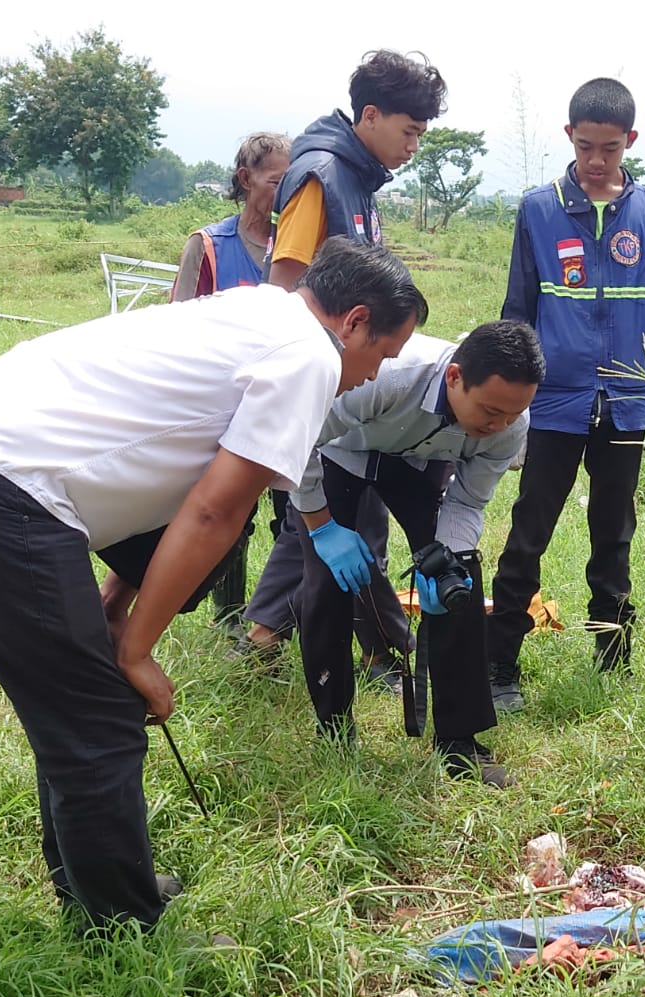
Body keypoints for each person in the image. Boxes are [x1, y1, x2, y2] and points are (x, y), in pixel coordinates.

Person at [0, 238, 427, 933]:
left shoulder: (256, 310)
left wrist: (114, 606)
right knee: (98, 718)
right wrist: (136, 652)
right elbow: (215, 510)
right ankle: (125, 931)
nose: (370, 375)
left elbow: (168, 472)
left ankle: (101, 888)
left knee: (78, 712)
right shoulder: (310, 355)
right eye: (381, 354)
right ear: (352, 321)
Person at [241, 51, 449, 681]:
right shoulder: (321, 177)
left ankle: (264, 637)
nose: (414, 145)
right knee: (333, 518)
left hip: (347, 368)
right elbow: (284, 290)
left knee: (324, 519)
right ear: (370, 114)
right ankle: (380, 649)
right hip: (318, 375)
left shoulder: (358, 177)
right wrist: (306, 380)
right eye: (409, 131)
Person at [487, 77, 645, 713]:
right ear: (568, 137)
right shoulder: (539, 208)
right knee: (529, 527)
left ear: (630, 142)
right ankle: (500, 662)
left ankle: (611, 659)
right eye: (587, 146)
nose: (598, 161)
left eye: (611, 149)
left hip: (625, 399)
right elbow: (519, 306)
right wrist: (510, 393)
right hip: (555, 401)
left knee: (614, 529)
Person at [290, 322, 544, 787]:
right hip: (339, 454)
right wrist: (323, 527)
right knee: (328, 583)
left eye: (512, 415)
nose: (499, 426)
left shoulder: (510, 426)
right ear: (454, 377)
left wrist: (448, 555)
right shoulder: (389, 376)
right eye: (490, 411)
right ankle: (335, 731)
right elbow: (297, 437)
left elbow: (467, 502)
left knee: (457, 583)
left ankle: (459, 743)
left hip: (418, 465)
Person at [169, 132, 292, 628]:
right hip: (223, 405)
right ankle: (229, 616)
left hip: (283, 402)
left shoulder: (296, 248)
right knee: (228, 513)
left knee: (293, 512)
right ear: (245, 180)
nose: (283, 195)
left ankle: (279, 619)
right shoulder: (208, 246)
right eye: (275, 181)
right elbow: (177, 328)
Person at [171, 132, 292, 302]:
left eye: (294, 185)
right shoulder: (207, 247)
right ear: (246, 179)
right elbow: (180, 320)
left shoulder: (300, 252)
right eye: (277, 184)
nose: (287, 194)